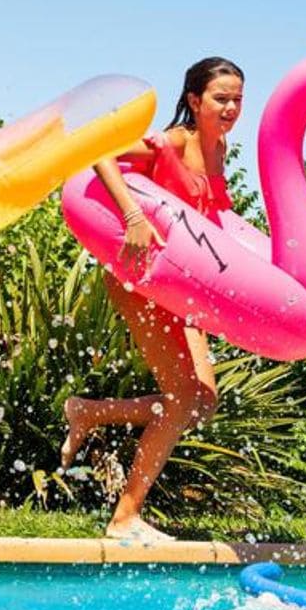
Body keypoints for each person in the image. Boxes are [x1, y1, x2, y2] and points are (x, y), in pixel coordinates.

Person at [59, 57, 244, 542]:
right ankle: (124, 517)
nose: (229, 108)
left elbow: (214, 217)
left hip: (184, 286)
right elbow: (98, 149)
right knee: (183, 397)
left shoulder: (219, 148)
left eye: (237, 100)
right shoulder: (174, 143)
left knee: (202, 401)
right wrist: (132, 217)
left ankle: (90, 412)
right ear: (194, 101)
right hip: (143, 277)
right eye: (220, 98)